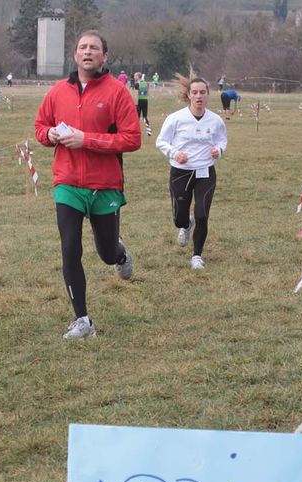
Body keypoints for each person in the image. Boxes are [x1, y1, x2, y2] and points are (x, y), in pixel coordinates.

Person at [35, 30, 141, 340]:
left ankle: (119, 255)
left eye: (94, 48)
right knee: (70, 248)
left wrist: (87, 140)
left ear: (104, 56)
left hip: (105, 184)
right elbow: (41, 127)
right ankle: (82, 320)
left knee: (105, 252)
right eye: (82, 47)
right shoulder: (57, 92)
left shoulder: (117, 92)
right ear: (75, 55)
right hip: (67, 182)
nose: (88, 52)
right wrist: (50, 135)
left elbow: (132, 139)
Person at [156, 74, 227, 270]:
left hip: (205, 172)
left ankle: (197, 256)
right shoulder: (176, 118)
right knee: (179, 218)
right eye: (194, 92)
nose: (198, 96)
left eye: (202, 92)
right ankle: (186, 225)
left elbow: (222, 140)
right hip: (181, 172)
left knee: (202, 215)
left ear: (207, 95)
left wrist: (218, 150)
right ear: (188, 95)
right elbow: (161, 141)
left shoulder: (216, 120)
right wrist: (175, 153)